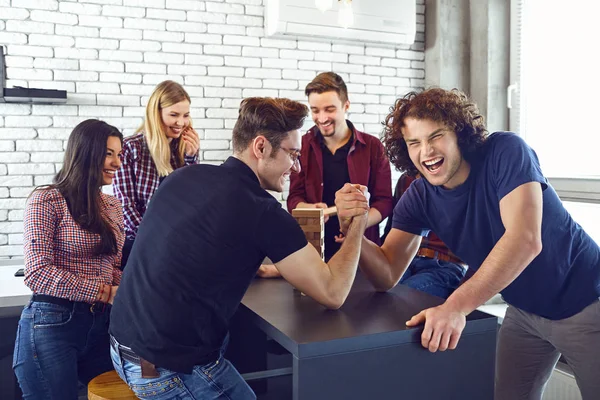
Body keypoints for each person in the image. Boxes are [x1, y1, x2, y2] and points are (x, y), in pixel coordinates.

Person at [335, 88, 600, 400]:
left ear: (460, 133)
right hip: (525, 310)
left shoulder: (506, 151)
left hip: (585, 301)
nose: (427, 151)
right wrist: (354, 227)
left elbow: (525, 239)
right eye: (414, 143)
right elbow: (387, 274)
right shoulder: (418, 196)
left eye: (436, 136)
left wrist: (455, 307)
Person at [109, 97, 370, 399]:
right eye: (292, 155)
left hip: (121, 349)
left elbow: (191, 253)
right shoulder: (262, 211)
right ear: (260, 147)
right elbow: (334, 292)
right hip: (168, 372)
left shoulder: (181, 177)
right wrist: (359, 221)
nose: (296, 167)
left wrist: (271, 269)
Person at [12, 119, 124, 399]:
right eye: (109, 153)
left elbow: (114, 268)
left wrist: (134, 292)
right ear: (85, 152)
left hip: (102, 326)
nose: (117, 163)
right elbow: (38, 273)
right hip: (52, 323)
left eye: (119, 155)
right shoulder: (47, 200)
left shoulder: (112, 205)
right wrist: (105, 292)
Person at [287, 71, 393, 261]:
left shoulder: (373, 147)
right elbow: (294, 198)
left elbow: (384, 202)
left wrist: (355, 229)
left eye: (329, 109)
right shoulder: (302, 146)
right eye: (315, 110)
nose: (321, 118)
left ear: (346, 106)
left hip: (363, 252)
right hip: (314, 253)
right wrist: (308, 209)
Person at [113, 80, 201, 267]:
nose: (181, 123)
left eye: (186, 115)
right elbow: (125, 206)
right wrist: (155, 239)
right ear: (156, 114)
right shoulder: (130, 148)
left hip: (176, 243)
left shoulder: (184, 147)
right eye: (173, 115)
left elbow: (193, 201)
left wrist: (191, 158)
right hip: (138, 244)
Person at [382, 173, 467, 299]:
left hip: (446, 263)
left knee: (401, 298)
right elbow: (392, 228)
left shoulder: (463, 181)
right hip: (406, 259)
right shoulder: (407, 180)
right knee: (380, 293)